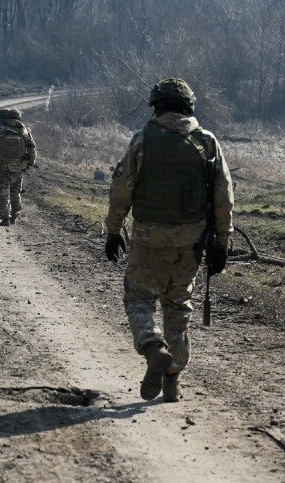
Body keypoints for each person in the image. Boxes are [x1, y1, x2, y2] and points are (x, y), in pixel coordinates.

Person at [104, 78, 233, 402]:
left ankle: (152, 346)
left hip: (149, 238)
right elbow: (223, 196)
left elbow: (121, 190)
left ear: (156, 107)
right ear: (189, 106)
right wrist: (221, 243)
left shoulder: (142, 140)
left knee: (139, 298)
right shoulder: (207, 142)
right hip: (191, 242)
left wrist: (113, 230)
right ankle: (172, 379)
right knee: (178, 305)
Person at [0, 107, 36, 226]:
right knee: (15, 192)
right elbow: (32, 148)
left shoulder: (0, 130)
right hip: (18, 166)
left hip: (2, 167)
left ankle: (5, 217)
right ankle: (15, 214)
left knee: (3, 191)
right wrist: (30, 162)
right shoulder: (24, 131)